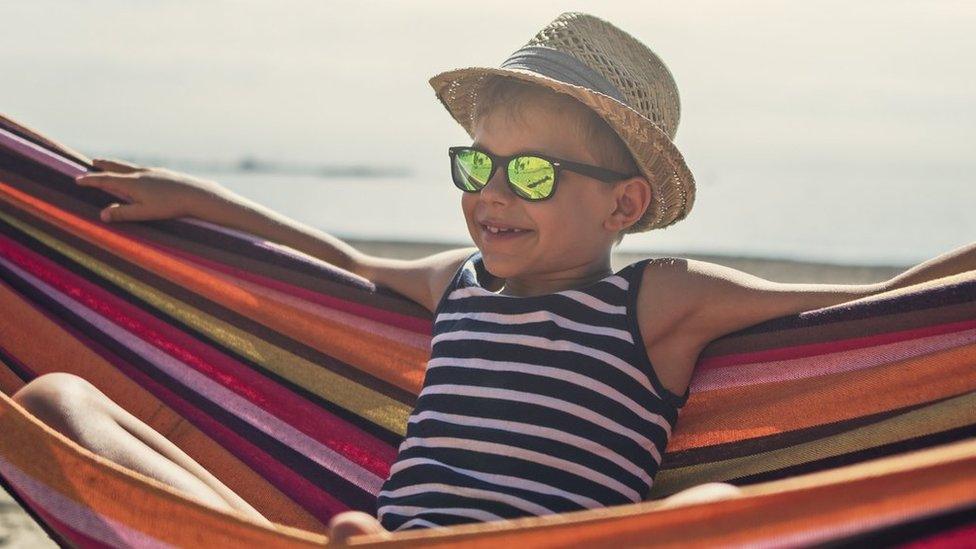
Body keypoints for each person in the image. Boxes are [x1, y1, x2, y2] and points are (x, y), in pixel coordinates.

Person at [11, 11, 975, 544]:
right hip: (389, 536)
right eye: (477, 163)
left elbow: (882, 309)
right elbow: (334, 261)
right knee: (55, 397)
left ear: (624, 206)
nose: (491, 193)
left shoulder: (659, 300)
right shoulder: (459, 282)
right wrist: (205, 200)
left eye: (531, 171)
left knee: (715, 518)